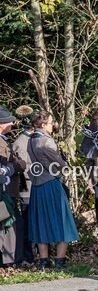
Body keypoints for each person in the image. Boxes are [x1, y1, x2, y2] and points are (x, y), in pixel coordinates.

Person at [25, 112, 78, 269]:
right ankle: (59, 261)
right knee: (63, 222)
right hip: (50, 183)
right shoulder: (45, 141)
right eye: (50, 122)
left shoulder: (31, 140)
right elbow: (59, 163)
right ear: (42, 125)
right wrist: (66, 166)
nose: (52, 124)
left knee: (42, 222)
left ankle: (44, 261)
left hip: (37, 185)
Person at [11, 106, 36, 266]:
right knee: (27, 223)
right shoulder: (21, 142)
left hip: (33, 186)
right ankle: (28, 255)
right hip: (27, 188)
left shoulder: (29, 140)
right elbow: (26, 168)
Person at [0, 106, 24, 268]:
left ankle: (12, 260)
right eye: (9, 122)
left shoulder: (4, 139)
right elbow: (10, 164)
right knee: (8, 226)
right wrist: (15, 166)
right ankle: (9, 261)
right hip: (4, 191)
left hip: (9, 189)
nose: (12, 124)